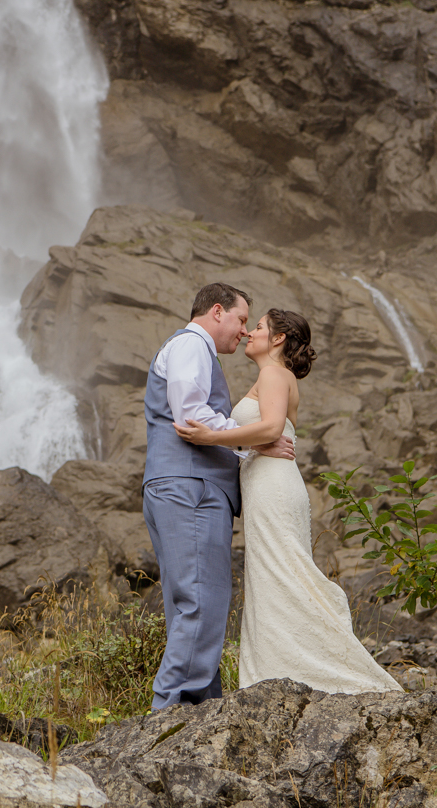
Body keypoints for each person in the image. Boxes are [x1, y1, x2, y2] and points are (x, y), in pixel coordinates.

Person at [176, 309, 401, 694]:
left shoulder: (273, 373)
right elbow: (266, 433)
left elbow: (272, 428)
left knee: (282, 570)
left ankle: (301, 671)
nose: (249, 333)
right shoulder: (275, 376)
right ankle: (281, 668)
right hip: (269, 483)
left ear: (278, 339)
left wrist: (209, 438)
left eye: (259, 327)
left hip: (273, 486)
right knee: (276, 572)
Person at [141, 282, 296, 710]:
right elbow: (191, 417)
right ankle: (169, 716)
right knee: (200, 602)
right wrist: (251, 444)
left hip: (179, 486)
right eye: (242, 319)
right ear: (216, 311)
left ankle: (201, 713)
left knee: (189, 604)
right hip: (192, 488)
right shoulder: (192, 345)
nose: (245, 331)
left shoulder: (192, 349)